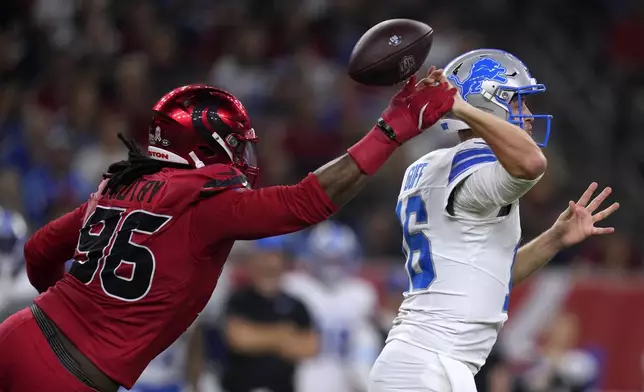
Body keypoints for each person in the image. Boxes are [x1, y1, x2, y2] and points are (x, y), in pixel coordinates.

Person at [0, 77, 456, 392]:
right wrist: (390, 130)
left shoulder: (119, 183)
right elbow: (308, 202)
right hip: (67, 375)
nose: (242, 154)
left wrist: (74, 312)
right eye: (235, 143)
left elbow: (39, 250)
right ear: (202, 145)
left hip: (19, 335)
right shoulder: (205, 202)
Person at [368, 49, 620, 392]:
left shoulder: (425, 166)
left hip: (425, 361)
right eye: (518, 102)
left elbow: (490, 275)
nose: (529, 115)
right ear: (486, 102)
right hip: (431, 364)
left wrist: (554, 239)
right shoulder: (476, 162)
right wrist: (459, 105)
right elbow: (532, 163)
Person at [283, 221, 381, 392]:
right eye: (325, 259)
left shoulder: (361, 292)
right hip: (307, 369)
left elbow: (367, 339)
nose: (332, 267)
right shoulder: (295, 286)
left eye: (338, 260)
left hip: (349, 370)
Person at [222, 235, 317, 392]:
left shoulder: (296, 305)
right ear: (253, 262)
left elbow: (310, 347)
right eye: (264, 257)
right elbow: (239, 338)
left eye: (276, 257)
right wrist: (283, 333)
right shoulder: (238, 299)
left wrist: (258, 336)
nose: (270, 263)